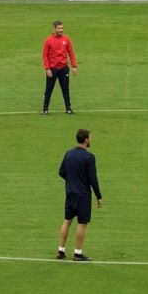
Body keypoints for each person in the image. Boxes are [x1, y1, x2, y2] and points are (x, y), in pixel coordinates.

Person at [57, 128, 103, 261]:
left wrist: (72, 180)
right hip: (83, 195)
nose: (91, 139)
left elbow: (61, 172)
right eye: (90, 137)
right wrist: (99, 196)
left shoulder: (68, 154)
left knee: (67, 221)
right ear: (86, 139)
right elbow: (93, 179)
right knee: (82, 223)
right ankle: (77, 253)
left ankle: (61, 250)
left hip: (70, 193)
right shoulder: (89, 157)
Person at [42, 20, 78, 115]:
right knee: (49, 89)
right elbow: (45, 56)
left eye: (62, 28)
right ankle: (45, 109)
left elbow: (71, 52)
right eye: (59, 28)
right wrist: (47, 68)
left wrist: (74, 66)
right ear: (54, 29)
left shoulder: (66, 39)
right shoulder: (48, 40)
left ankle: (68, 109)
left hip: (63, 68)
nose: (61, 30)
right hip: (52, 69)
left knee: (65, 89)